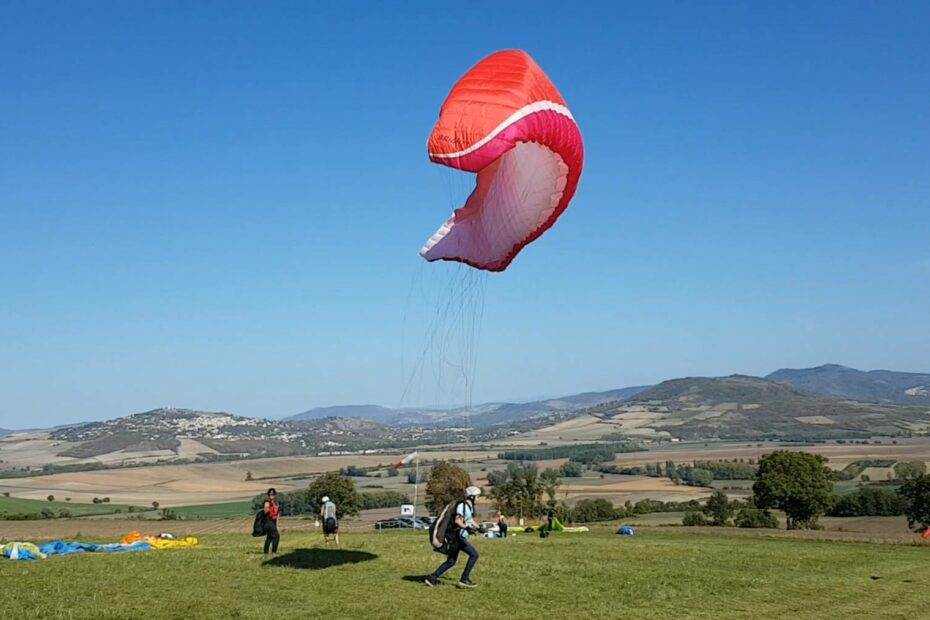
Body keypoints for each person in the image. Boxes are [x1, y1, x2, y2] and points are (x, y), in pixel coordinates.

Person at [425, 486, 482, 589]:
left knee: (451, 561)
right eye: (477, 496)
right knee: (474, 555)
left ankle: (432, 578)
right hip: (456, 537)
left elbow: (469, 520)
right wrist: (466, 528)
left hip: (457, 537)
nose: (478, 499)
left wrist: (479, 528)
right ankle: (464, 579)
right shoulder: (462, 506)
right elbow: (457, 520)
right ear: (472, 497)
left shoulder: (468, 507)